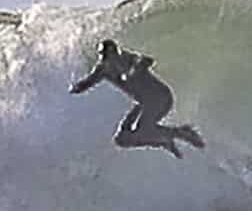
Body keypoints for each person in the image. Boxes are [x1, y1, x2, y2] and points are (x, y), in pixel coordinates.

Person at [69, 39, 203, 157]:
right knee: (122, 139)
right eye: (102, 56)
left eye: (108, 56)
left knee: (144, 128)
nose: (105, 60)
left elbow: (147, 60)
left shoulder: (128, 58)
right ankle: (166, 140)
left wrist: (135, 69)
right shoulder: (103, 69)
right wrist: (75, 88)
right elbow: (88, 83)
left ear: (116, 53)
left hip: (161, 97)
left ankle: (180, 133)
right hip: (143, 103)